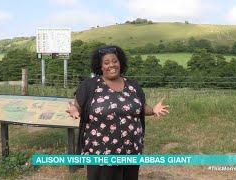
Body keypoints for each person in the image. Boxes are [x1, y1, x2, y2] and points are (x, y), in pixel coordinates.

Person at [67, 45, 169, 180]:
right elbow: (78, 105)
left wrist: (153, 110)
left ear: (120, 62)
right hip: (101, 152)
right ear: (100, 66)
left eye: (115, 61)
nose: (112, 65)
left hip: (130, 150)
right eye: (106, 62)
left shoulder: (132, 85)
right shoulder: (90, 85)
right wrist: (74, 110)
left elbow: (140, 107)